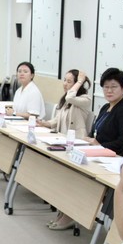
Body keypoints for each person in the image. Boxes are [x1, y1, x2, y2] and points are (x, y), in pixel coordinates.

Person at [38, 69, 93, 231]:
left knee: (68, 181)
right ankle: (62, 213)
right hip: (63, 144)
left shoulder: (84, 99)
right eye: (64, 80)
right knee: (60, 180)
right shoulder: (66, 99)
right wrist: (46, 124)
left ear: (78, 84)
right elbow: (57, 119)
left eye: (70, 81)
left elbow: (70, 96)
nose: (65, 84)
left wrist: (80, 81)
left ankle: (69, 216)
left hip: (76, 145)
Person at [87, 67, 123, 155]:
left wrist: (100, 146)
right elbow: (95, 132)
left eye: (114, 87)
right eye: (106, 87)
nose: (109, 91)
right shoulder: (105, 107)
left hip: (114, 156)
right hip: (97, 153)